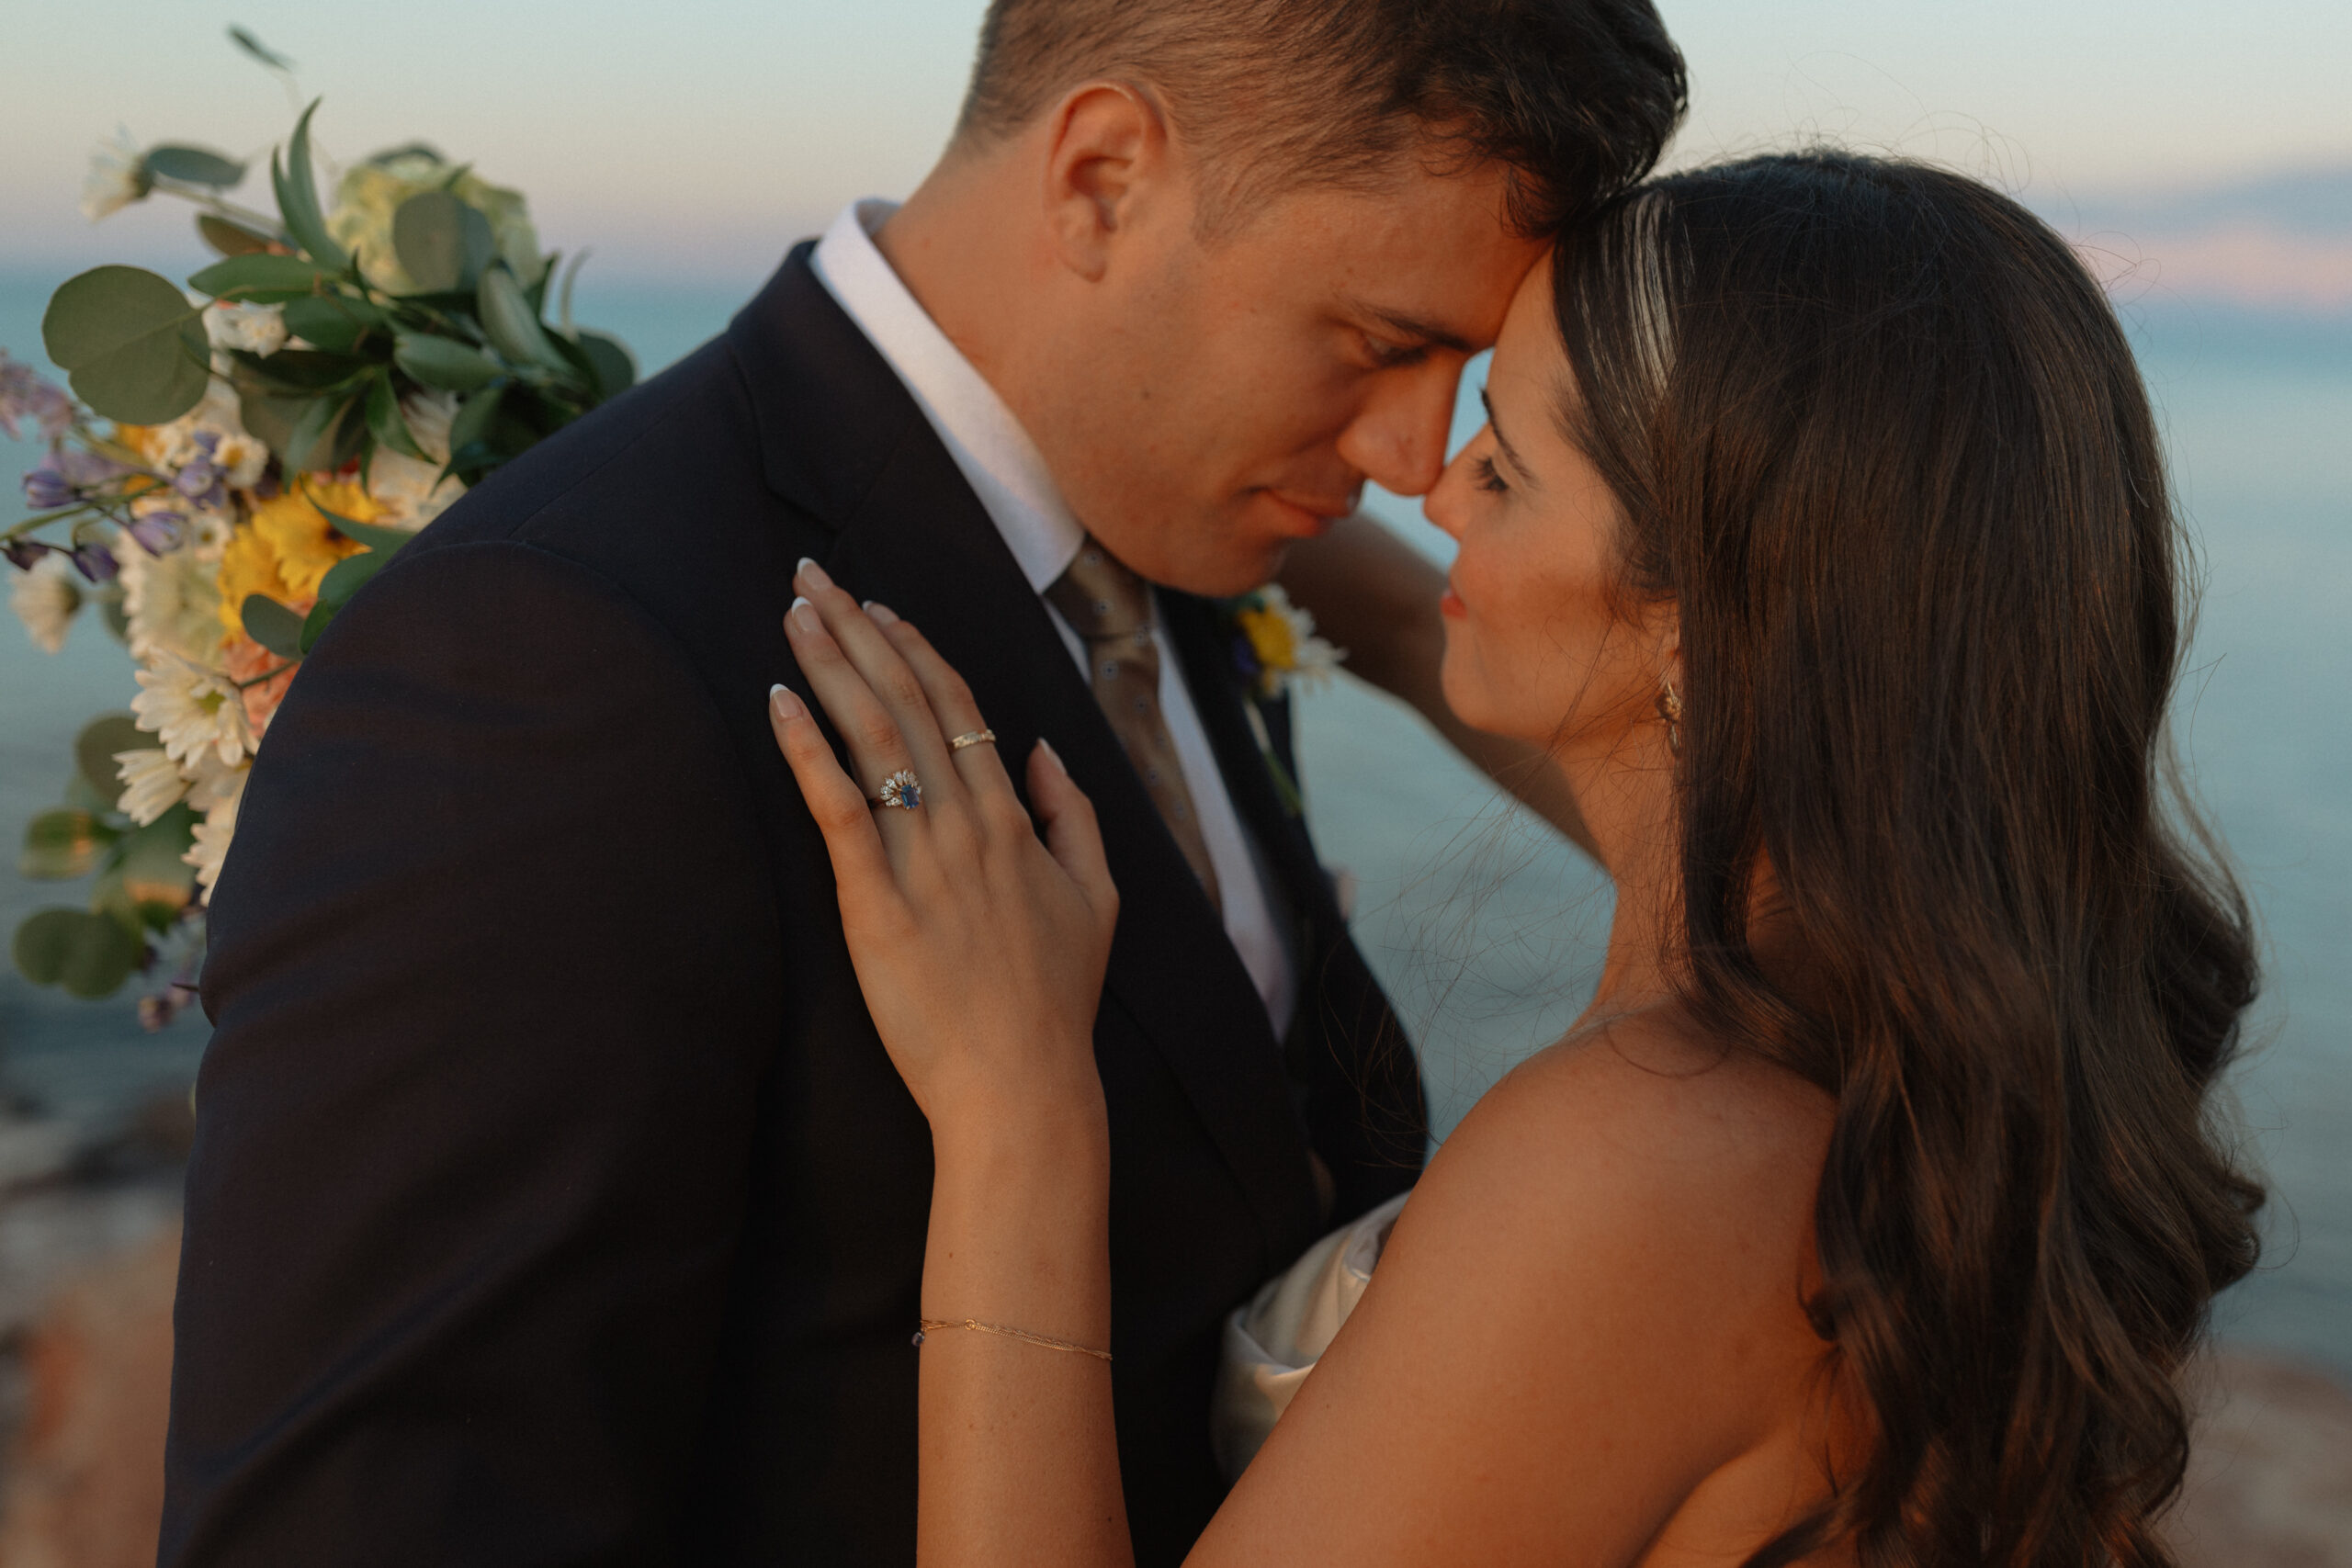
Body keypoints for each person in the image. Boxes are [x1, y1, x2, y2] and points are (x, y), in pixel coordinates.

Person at [158, 2, 1686, 1562]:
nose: (1417, 457)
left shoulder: (1177, 533)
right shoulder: (550, 660)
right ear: (1100, 176)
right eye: (1380, 342)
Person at [766, 151, 2267, 1565]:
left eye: (1510, 462)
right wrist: (1123, 434)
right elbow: (1433, 631)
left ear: (1698, 615)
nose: (1431, 483)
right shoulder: (1912, 974)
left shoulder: (1646, 1157)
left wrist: (1016, 1112)